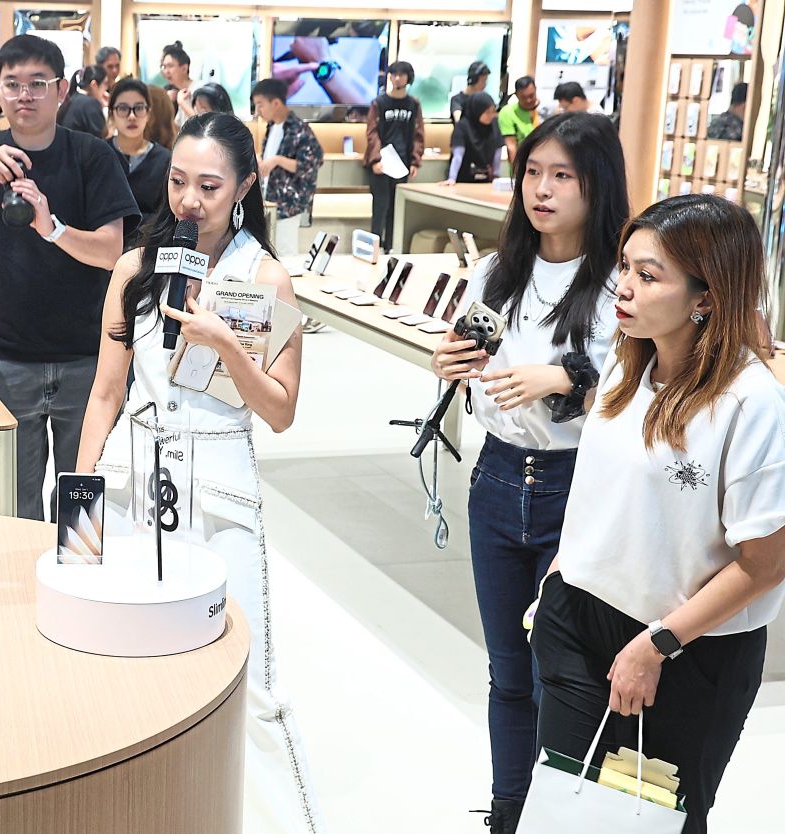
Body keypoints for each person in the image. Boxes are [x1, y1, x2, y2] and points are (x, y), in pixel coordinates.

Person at [74, 110, 322, 834]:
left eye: (209, 185)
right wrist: (76, 511)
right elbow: (105, 394)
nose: (189, 199)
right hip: (126, 479)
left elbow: (280, 411)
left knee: (242, 674)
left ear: (244, 185)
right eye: (178, 181)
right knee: (117, 654)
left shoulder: (266, 277)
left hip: (217, 486)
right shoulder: (134, 267)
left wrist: (225, 343)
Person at [533, 194, 785, 834]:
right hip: (577, 621)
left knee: (650, 822)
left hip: (685, 650)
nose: (624, 287)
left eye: (649, 276)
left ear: (706, 296)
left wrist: (658, 643)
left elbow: (765, 564)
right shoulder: (627, 363)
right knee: (566, 811)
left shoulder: (751, 403)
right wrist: (561, 575)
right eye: (625, 266)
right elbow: (605, 489)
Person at [429, 112, 629, 834]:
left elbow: (640, 381)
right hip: (498, 479)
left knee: (563, 676)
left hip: (581, 486)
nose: (541, 190)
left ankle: (561, 816)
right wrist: (447, 363)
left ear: (595, 183)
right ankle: (509, 812)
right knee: (508, 673)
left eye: (562, 175)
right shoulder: (496, 270)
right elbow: (468, 348)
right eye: (533, 173)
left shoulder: (617, 279)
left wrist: (562, 374)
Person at [0, 35, 139, 521]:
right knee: (9, 511)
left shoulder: (92, 157)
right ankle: (23, 594)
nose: (24, 95)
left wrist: (53, 228)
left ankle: (80, 591)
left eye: (37, 84)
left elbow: (112, 252)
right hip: (1, 363)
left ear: (61, 91)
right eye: (12, 84)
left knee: (82, 510)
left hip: (86, 363)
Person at [251, 78, 323, 257]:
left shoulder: (299, 128)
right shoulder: (272, 126)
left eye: (260, 105)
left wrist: (277, 160)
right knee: (270, 249)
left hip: (288, 202)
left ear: (275, 103)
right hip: (270, 199)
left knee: (286, 250)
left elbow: (311, 164)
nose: (258, 111)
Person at [363, 61, 424, 253]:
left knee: (396, 208)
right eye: (393, 74)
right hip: (381, 162)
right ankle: (374, 247)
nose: (397, 78)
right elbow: (372, 132)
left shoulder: (413, 104)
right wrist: (375, 159)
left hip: (402, 162)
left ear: (408, 77)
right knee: (380, 206)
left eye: (401, 74)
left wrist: (415, 160)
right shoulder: (379, 103)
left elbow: (418, 132)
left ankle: (390, 247)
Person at [107, 78, 170, 248]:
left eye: (139, 108)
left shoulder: (165, 159)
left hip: (148, 251)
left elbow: (166, 215)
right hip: (103, 253)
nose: (132, 116)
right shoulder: (100, 154)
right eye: (123, 108)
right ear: (111, 113)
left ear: (149, 113)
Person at [443, 92, 504, 185]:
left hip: (485, 178)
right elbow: (458, 155)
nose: (492, 115)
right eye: (487, 112)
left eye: (493, 111)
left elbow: (498, 151)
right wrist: (452, 178)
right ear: (477, 111)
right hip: (462, 178)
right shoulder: (463, 126)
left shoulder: (494, 124)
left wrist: (496, 175)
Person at [58, 64, 109, 138]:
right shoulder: (91, 104)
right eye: (105, 84)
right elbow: (102, 137)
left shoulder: (72, 98)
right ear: (94, 85)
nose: (106, 89)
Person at [499, 76, 540, 165]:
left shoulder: (544, 111)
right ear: (516, 95)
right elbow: (511, 145)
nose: (528, 100)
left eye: (531, 96)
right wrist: (516, 170)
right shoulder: (508, 112)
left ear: (535, 90)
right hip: (523, 163)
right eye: (523, 97)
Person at [160, 41, 200, 127]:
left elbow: (203, 125)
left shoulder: (198, 89)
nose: (166, 71)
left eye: (170, 66)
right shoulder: (179, 93)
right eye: (164, 67)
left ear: (184, 68)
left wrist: (182, 102)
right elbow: (176, 129)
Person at [451, 60, 492, 124]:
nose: (485, 84)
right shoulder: (457, 100)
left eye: (486, 81)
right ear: (474, 80)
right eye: (483, 81)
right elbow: (459, 121)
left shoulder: (484, 99)